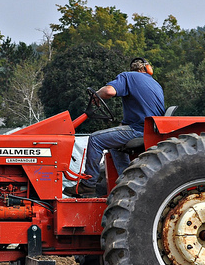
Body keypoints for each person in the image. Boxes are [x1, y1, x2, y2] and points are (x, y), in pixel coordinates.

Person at [64, 57, 165, 197]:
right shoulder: (155, 84)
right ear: (148, 69)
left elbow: (109, 92)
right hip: (150, 130)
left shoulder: (128, 76)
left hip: (138, 130)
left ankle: (88, 184)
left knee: (95, 139)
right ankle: (126, 182)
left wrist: (96, 95)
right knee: (113, 143)